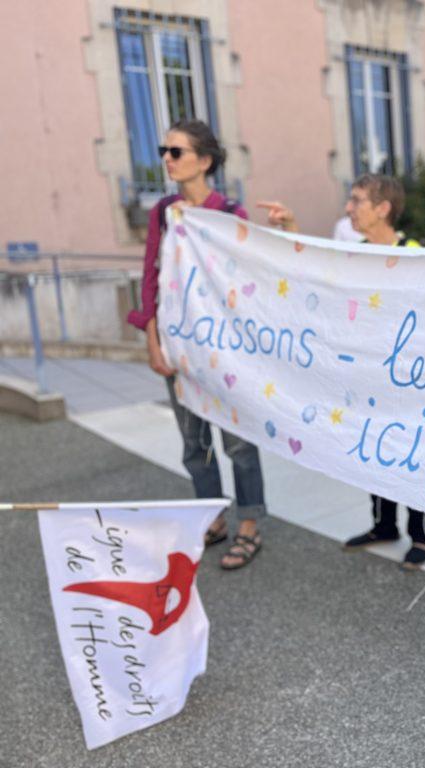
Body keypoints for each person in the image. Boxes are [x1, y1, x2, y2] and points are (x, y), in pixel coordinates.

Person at [126, 119, 268, 570]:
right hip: (177, 345)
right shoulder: (163, 214)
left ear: (204, 161)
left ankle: (249, 522)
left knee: (238, 443)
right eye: (163, 150)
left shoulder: (230, 215)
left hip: (223, 350)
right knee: (194, 443)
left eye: (176, 152)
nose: (167, 159)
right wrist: (152, 340)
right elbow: (150, 278)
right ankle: (212, 515)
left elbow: (251, 280)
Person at [338, 174, 425, 570]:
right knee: (373, 450)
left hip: (408, 375)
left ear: (382, 209)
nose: (348, 208)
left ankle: (420, 535)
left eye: (357, 200)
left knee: (411, 455)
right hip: (369, 373)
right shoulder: (354, 253)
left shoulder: (414, 252)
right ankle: (383, 525)